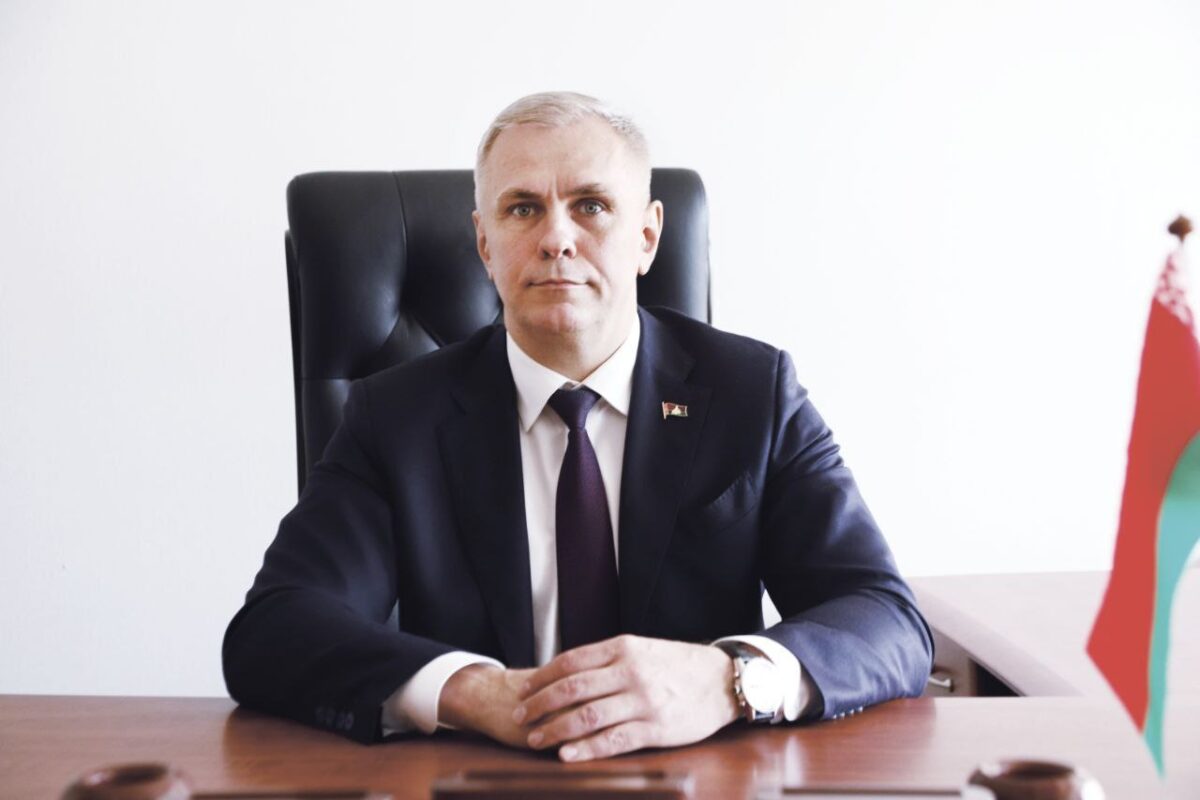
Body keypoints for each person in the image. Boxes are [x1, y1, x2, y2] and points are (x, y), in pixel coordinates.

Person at [223, 91, 933, 763]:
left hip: (696, 779)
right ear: (485, 244)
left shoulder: (753, 395)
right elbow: (274, 630)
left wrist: (728, 681)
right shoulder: (395, 418)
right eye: (523, 209)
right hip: (481, 778)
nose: (556, 238)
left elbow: (885, 619)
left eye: (590, 205)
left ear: (647, 236)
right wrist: (470, 690)